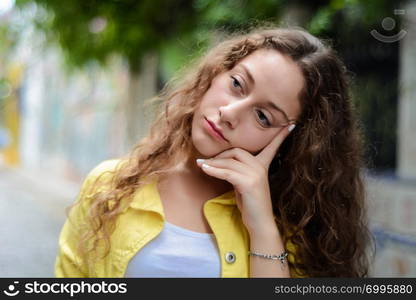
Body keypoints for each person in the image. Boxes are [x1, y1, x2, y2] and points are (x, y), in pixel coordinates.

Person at [55, 26, 372, 278]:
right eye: (237, 84)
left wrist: (261, 225)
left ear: (293, 141)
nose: (231, 113)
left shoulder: (293, 226)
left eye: (263, 116)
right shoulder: (111, 185)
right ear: (217, 73)